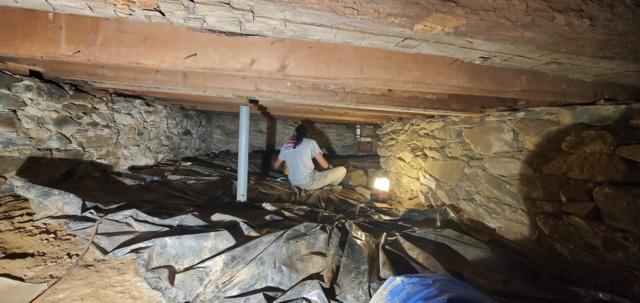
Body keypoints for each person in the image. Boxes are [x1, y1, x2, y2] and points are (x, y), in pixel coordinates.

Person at [272, 124, 346, 190]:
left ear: (295, 133)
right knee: (342, 170)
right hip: (307, 182)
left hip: (293, 182)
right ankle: (329, 187)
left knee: (317, 173)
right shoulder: (310, 142)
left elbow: (275, 166)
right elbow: (324, 165)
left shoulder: (286, 145)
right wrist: (331, 168)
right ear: (308, 134)